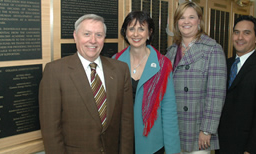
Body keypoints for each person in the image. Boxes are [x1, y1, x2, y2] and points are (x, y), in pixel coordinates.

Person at [39, 14, 134, 153]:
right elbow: (51, 130)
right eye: (87, 34)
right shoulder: (55, 72)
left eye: (99, 35)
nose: (93, 40)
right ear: (75, 36)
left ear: (104, 38)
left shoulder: (120, 70)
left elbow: (126, 124)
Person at [113, 11, 180, 154]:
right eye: (131, 29)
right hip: (121, 141)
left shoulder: (163, 64)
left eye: (141, 29)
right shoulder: (115, 61)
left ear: (149, 33)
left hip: (151, 144)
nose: (136, 34)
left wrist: (173, 150)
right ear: (125, 32)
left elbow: (169, 111)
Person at [165, 1, 227, 153]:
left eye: (191, 17)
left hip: (197, 129)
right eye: (181, 17)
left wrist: (207, 130)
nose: (186, 22)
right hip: (174, 127)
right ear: (176, 22)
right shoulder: (171, 51)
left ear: (199, 20)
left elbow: (216, 95)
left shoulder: (212, 49)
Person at [217, 15, 256, 153]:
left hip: (244, 146)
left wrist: (252, 150)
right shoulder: (224, 64)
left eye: (247, 33)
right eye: (236, 32)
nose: (240, 37)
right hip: (220, 143)